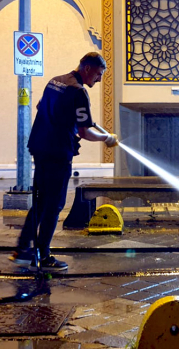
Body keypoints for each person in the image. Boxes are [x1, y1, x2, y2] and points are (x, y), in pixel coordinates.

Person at [11, 52, 118, 271]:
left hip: (40, 146)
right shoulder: (78, 92)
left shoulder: (55, 81)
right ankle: (43, 255)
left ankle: (22, 250)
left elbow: (40, 106)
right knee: (54, 205)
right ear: (87, 68)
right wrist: (106, 138)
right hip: (58, 152)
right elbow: (85, 132)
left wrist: (64, 122)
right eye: (98, 74)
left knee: (40, 201)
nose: (99, 79)